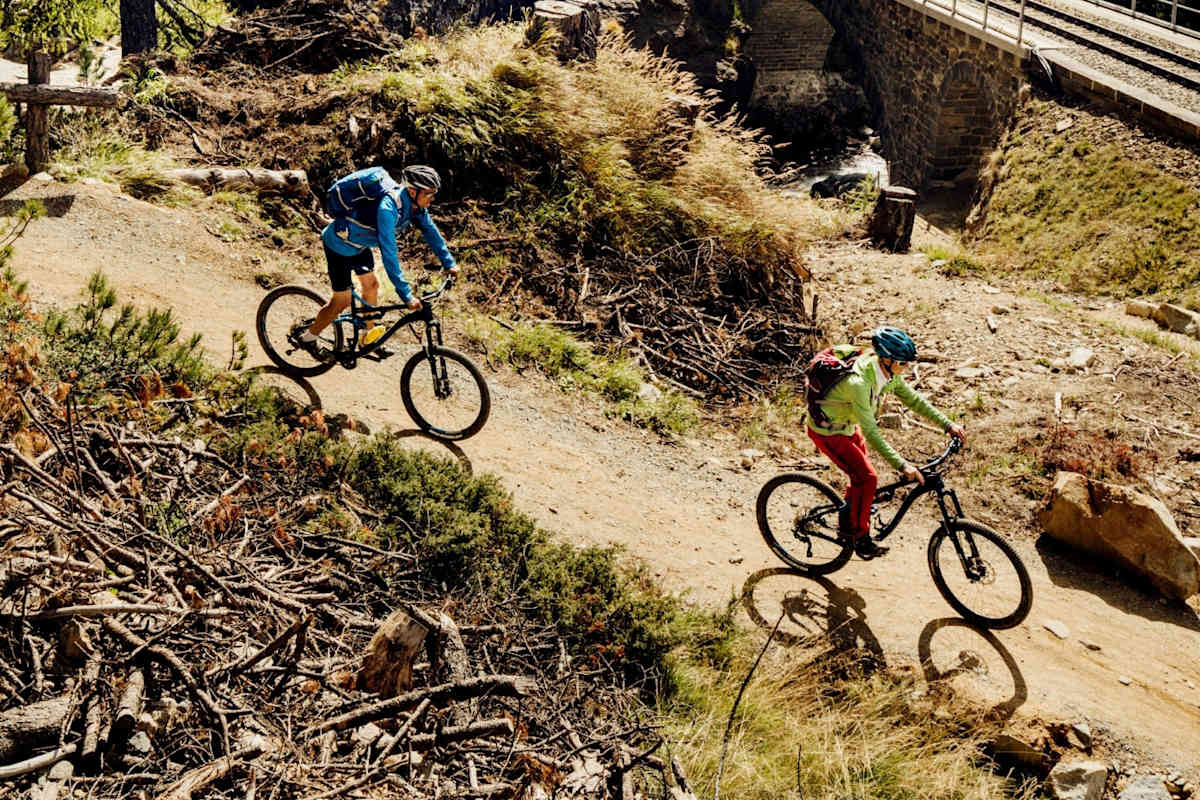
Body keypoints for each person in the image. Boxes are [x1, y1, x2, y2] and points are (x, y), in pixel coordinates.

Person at [807, 326, 965, 560]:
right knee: (868, 478)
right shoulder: (860, 383)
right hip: (827, 432)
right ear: (888, 359)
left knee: (860, 477)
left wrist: (947, 424)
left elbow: (913, 399)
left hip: (847, 426)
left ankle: (848, 520)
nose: (905, 368)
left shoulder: (886, 374)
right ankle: (859, 538)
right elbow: (871, 431)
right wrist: (902, 465)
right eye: (902, 363)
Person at [297, 165, 459, 358]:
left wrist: (449, 263)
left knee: (372, 285)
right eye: (429, 194)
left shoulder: (416, 208)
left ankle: (366, 338)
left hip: (359, 245)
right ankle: (308, 338)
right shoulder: (388, 208)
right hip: (338, 245)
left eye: (434, 194)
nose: (432, 198)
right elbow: (389, 253)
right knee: (342, 301)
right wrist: (406, 295)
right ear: (413, 191)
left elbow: (431, 232)